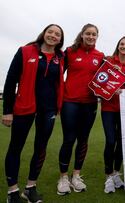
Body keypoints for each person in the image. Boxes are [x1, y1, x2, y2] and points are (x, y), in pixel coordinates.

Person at [2, 24, 65, 203]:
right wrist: (7, 110)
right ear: (44, 33)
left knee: (40, 148)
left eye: (57, 34)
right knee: (16, 147)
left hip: (49, 110)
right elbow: (10, 81)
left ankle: (30, 188)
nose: (53, 36)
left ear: (60, 40)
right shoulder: (25, 51)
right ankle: (12, 191)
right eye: (50, 32)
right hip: (24, 107)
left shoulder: (60, 57)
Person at [57, 23, 105, 195]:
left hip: (90, 103)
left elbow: (106, 78)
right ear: (82, 34)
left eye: (94, 34)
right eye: (88, 34)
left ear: (97, 37)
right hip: (70, 101)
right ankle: (63, 177)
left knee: (83, 140)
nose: (91, 37)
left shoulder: (100, 56)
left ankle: (76, 175)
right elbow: (58, 72)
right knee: (69, 139)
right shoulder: (70, 51)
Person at [101, 36, 125, 194]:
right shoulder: (108, 61)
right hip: (108, 108)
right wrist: (111, 90)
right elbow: (100, 82)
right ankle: (108, 176)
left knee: (122, 143)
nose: (124, 46)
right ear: (118, 46)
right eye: (122, 44)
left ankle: (116, 173)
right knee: (110, 141)